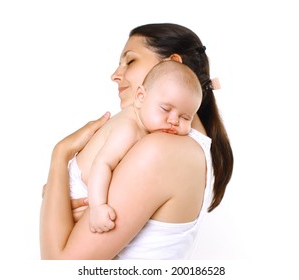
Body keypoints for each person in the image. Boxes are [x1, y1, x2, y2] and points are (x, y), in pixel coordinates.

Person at [40, 23, 234, 260]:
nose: (115, 75)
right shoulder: (179, 143)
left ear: (172, 62)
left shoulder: (162, 150)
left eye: (130, 61)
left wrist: (60, 156)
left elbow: (59, 268)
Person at [70, 60, 202, 233]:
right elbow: (102, 164)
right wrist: (97, 207)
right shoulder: (129, 128)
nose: (174, 121)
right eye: (165, 109)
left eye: (185, 117)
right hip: (79, 187)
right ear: (140, 97)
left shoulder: (152, 128)